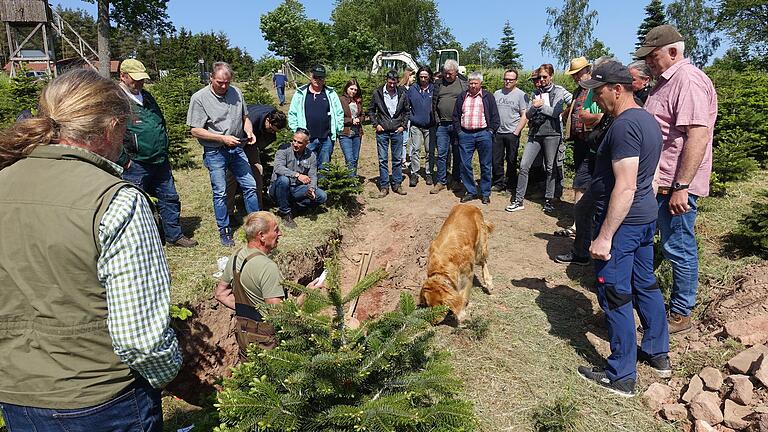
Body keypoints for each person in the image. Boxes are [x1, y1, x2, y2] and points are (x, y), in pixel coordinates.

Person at [0, 69, 181, 430]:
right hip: (103, 399)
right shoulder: (116, 200)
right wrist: (168, 373)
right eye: (126, 129)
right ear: (111, 127)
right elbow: (139, 339)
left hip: (16, 396)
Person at [575, 61, 669, 397]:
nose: (594, 99)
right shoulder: (647, 120)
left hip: (623, 223)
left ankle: (621, 375)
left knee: (615, 292)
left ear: (618, 89)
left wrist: (604, 236)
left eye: (598, 93)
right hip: (643, 218)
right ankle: (658, 354)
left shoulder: (625, 126)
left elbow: (626, 185)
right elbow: (654, 177)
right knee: (644, 282)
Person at [636, 24, 718, 334]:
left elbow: (697, 136)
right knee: (662, 240)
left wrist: (682, 187)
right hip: (660, 182)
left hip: (675, 186)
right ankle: (646, 295)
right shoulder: (664, 82)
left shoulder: (688, 81)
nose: (649, 63)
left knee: (677, 244)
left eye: (652, 56)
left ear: (673, 52)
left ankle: (682, 310)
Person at [214, 211, 323, 359]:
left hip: (244, 336)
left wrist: (247, 311)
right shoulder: (267, 267)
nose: (281, 234)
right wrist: (306, 294)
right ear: (261, 236)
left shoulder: (236, 256)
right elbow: (279, 315)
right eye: (276, 230)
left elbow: (221, 294)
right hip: (266, 342)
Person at [117, 59, 198, 248]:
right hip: (135, 162)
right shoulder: (116, 100)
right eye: (135, 79)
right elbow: (110, 133)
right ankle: (138, 242)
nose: (139, 83)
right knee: (134, 203)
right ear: (123, 76)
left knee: (169, 197)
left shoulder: (147, 96)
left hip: (159, 159)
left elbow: (159, 122)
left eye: (142, 79)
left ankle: (174, 235)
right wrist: (124, 160)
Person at [187, 61, 259, 247]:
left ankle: (256, 226)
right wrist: (222, 139)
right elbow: (195, 130)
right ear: (211, 78)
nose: (224, 86)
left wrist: (249, 131)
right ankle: (224, 230)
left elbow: (245, 118)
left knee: (250, 186)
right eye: (220, 82)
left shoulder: (236, 92)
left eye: (227, 82)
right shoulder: (199, 98)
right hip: (214, 151)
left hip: (236, 148)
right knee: (220, 191)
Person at [506, 64, 572, 214]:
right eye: (540, 77)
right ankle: (518, 200)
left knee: (550, 168)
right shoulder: (535, 92)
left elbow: (557, 111)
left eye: (545, 77)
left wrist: (563, 113)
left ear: (551, 76)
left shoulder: (559, 91)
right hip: (535, 134)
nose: (541, 80)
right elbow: (528, 115)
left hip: (552, 134)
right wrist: (534, 107)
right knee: (524, 165)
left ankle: (549, 200)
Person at [559, 57, 602, 237]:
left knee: (583, 181)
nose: (576, 77)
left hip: (592, 141)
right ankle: (583, 221)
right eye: (574, 75)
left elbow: (601, 113)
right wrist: (566, 113)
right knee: (582, 180)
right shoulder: (579, 90)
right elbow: (574, 107)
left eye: (578, 74)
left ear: (587, 70)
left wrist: (587, 118)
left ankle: (583, 223)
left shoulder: (595, 88)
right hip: (579, 140)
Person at [225, 106, 287, 215]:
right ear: (268, 120)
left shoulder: (274, 115)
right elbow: (237, 135)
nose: (272, 132)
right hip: (236, 140)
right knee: (232, 176)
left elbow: (263, 140)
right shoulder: (253, 119)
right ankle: (228, 211)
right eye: (271, 129)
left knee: (258, 170)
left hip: (251, 142)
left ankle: (258, 209)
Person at [453, 71, 500, 204]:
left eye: (475, 83)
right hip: (465, 135)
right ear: (468, 83)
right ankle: (471, 191)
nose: (473, 85)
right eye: (471, 83)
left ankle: (485, 193)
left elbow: (495, 116)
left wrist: (490, 131)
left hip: (483, 134)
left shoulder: (487, 97)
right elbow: (455, 115)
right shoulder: (462, 96)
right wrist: (459, 132)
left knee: (485, 165)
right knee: (465, 164)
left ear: (480, 84)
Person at [287, 64, 344, 171]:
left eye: (321, 78)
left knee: (324, 167)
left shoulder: (330, 93)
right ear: (310, 76)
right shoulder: (300, 93)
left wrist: (337, 129)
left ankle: (322, 186)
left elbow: (339, 112)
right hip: (307, 139)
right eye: (315, 77)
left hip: (326, 138)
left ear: (324, 79)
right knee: (305, 166)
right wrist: (296, 131)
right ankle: (306, 187)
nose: (317, 80)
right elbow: (292, 113)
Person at [267, 129, 328, 228]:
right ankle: (285, 213)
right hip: (279, 188)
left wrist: (311, 189)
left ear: (307, 143)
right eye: (294, 140)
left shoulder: (311, 156)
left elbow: (313, 175)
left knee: (322, 196)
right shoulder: (283, 149)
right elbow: (278, 168)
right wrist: (297, 175)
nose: (295, 144)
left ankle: (295, 207)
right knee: (284, 180)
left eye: (299, 142)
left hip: (297, 188)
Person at [369, 69, 410, 197]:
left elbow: (407, 111)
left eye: (394, 83)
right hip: (383, 131)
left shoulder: (402, 92)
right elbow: (371, 110)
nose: (392, 85)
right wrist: (376, 124)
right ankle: (384, 186)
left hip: (397, 130)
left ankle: (397, 184)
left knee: (397, 159)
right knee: (383, 159)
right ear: (386, 80)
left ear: (397, 81)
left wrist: (403, 126)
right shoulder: (378, 92)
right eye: (390, 82)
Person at [431, 59, 467, 194]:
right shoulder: (438, 84)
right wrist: (437, 120)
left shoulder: (463, 83)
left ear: (456, 72)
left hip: (458, 125)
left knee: (457, 153)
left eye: (450, 74)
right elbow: (433, 103)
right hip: (442, 125)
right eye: (445, 73)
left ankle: (456, 179)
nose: (447, 76)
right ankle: (441, 180)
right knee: (441, 154)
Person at [492, 68, 528, 192]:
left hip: (512, 132)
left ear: (516, 81)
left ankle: (511, 183)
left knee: (511, 159)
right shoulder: (497, 93)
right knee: (496, 159)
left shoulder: (521, 95)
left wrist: (516, 131)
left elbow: (524, 115)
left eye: (511, 80)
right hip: (498, 132)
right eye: (506, 79)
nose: (507, 82)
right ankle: (498, 182)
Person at [406, 65, 436, 187]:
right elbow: (406, 106)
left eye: (426, 77)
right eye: (421, 76)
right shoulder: (413, 89)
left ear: (429, 77)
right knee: (416, 149)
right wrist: (410, 117)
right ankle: (414, 173)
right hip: (416, 125)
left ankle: (429, 172)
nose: (423, 79)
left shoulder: (434, 89)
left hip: (431, 125)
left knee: (430, 151)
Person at [339, 79, 365, 177]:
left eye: (355, 90)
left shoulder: (357, 101)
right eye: (351, 89)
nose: (353, 91)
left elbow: (363, 114)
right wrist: (350, 121)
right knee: (349, 158)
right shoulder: (341, 100)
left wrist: (359, 119)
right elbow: (338, 117)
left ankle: (353, 178)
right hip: (345, 133)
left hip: (357, 133)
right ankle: (351, 181)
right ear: (346, 88)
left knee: (355, 158)